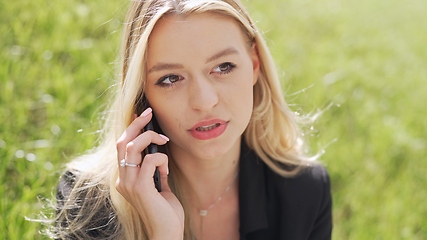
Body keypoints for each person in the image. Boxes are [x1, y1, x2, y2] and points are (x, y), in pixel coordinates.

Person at [52, 0, 332, 239]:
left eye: (223, 67)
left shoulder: (305, 193)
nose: (204, 101)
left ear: (254, 65)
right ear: (142, 93)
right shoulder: (88, 202)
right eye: (170, 78)